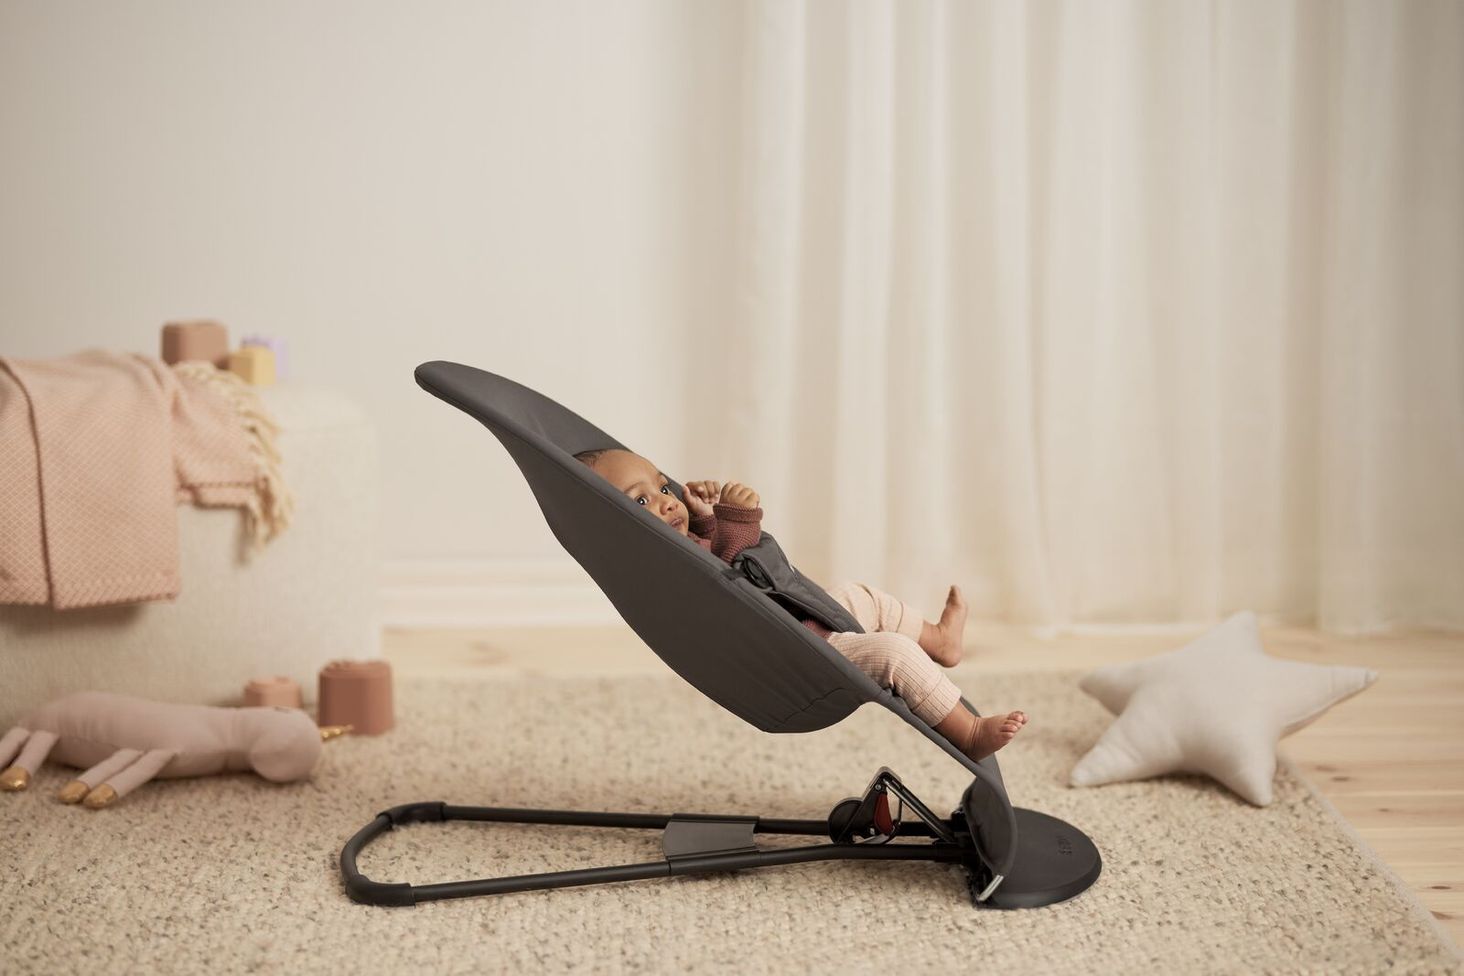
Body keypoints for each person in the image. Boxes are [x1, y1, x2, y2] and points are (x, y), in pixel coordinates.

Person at [573, 448, 1027, 763]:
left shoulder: (671, 547)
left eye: (663, 488)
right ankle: (968, 733)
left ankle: (940, 640)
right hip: (800, 658)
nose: (666, 503)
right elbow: (732, 581)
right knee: (894, 652)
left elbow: (711, 555)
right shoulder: (664, 571)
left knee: (860, 596)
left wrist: (707, 516)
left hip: (803, 622)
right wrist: (736, 520)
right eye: (642, 500)